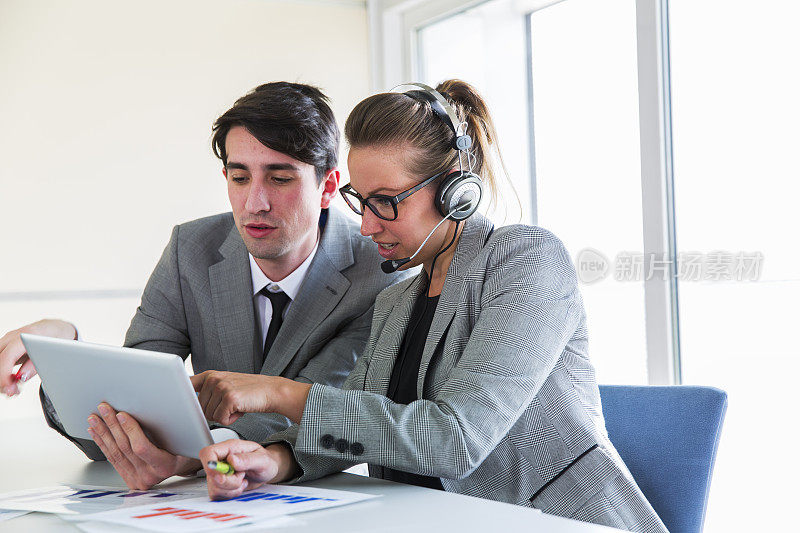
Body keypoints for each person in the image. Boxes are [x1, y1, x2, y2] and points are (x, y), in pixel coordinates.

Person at [191, 80, 669, 532]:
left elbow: (456, 441)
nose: (366, 226)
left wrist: (280, 393)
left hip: (551, 522)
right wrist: (273, 460)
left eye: (385, 202)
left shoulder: (526, 260)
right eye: (362, 201)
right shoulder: (397, 299)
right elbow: (354, 418)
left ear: (454, 191)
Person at [0, 82, 410, 490]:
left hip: (317, 495)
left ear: (327, 187)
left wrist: (192, 455)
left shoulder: (380, 270)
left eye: (280, 178)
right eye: (239, 177)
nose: (255, 203)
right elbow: (128, 406)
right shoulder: (190, 250)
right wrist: (62, 345)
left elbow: (318, 407)